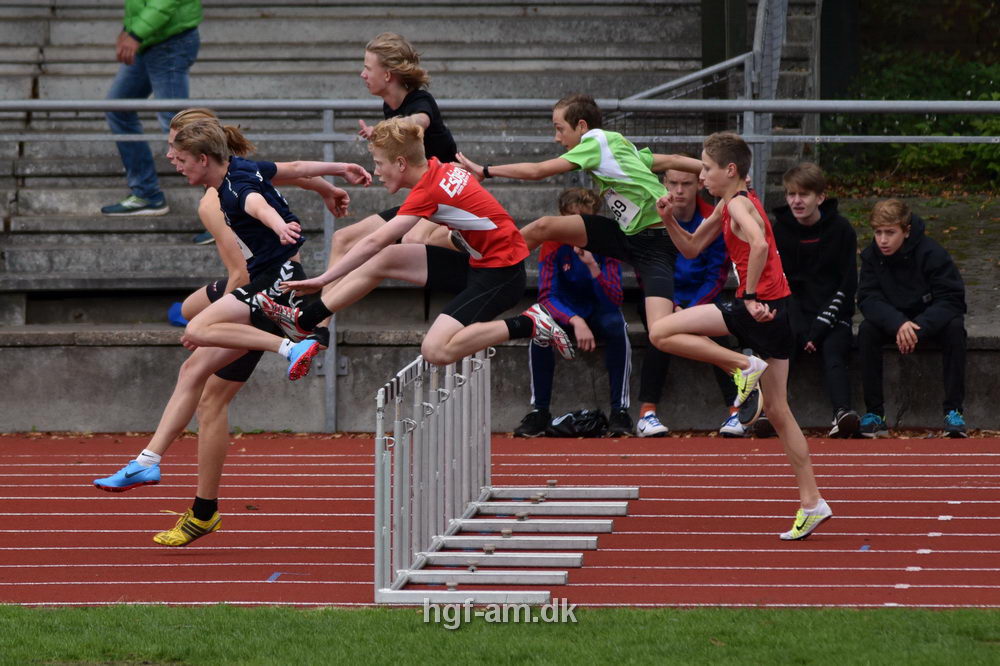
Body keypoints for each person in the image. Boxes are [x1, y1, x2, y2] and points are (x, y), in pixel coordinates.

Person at [93, 117, 369, 545]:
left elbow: (251, 225)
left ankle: (291, 341)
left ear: (204, 154)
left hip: (266, 283)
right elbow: (294, 168)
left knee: (200, 340)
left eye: (176, 151)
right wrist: (332, 181)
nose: (170, 158)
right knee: (195, 359)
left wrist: (275, 231)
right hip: (269, 276)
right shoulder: (242, 168)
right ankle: (152, 464)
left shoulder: (223, 195)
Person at [248, 117, 573, 373]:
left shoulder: (428, 190)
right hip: (480, 260)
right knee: (390, 258)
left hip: (501, 275)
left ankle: (530, 322)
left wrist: (322, 279)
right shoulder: (438, 168)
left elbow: (375, 239)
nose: (376, 171)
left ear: (401, 163)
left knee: (435, 350)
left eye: (378, 162)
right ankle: (307, 320)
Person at [650, 132, 832, 540]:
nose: (701, 175)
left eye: (706, 168)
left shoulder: (735, 203)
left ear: (730, 170)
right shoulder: (729, 203)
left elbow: (761, 244)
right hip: (779, 311)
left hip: (759, 309)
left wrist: (747, 295)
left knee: (661, 331)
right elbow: (693, 248)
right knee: (780, 412)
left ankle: (741, 364)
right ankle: (812, 502)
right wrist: (666, 219)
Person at [456, 94, 702, 374]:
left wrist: (485, 171)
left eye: (559, 128)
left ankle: (739, 364)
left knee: (660, 333)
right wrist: (706, 170)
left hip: (657, 245)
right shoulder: (618, 145)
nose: (556, 138)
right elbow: (673, 159)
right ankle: (491, 267)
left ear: (582, 126)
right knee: (543, 227)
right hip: (626, 235)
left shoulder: (595, 142)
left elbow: (538, 170)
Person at [324, 32, 458, 286]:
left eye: (367, 68)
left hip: (449, 200)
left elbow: (421, 121)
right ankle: (318, 325)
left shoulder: (420, 100)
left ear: (387, 75)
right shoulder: (390, 107)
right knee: (342, 239)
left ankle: (470, 247)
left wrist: (388, 128)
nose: (362, 75)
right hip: (423, 201)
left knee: (411, 240)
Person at [513, 188, 632, 438]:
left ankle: (619, 410)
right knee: (539, 329)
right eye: (570, 219)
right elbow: (546, 296)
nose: (576, 226)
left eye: (584, 219)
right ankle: (540, 411)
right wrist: (574, 320)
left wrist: (592, 265)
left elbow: (614, 299)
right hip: (567, 312)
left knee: (617, 326)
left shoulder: (606, 241)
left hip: (600, 310)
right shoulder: (554, 243)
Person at [633, 167, 738, 438]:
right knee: (660, 332)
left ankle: (737, 412)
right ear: (664, 184)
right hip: (662, 297)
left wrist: (690, 310)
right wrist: (674, 305)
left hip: (701, 299)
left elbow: (717, 273)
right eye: (673, 183)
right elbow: (646, 270)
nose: (679, 191)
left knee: (719, 335)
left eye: (686, 184)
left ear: (699, 186)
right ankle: (647, 413)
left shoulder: (711, 218)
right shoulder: (649, 216)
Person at [857, 199, 968, 438]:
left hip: (927, 322)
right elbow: (867, 299)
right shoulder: (871, 257)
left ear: (906, 231)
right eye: (878, 232)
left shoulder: (933, 253)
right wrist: (898, 322)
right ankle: (875, 414)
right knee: (866, 331)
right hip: (895, 322)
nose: (883, 240)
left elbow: (952, 299)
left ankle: (953, 412)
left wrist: (919, 328)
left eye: (890, 232)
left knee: (955, 328)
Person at [772, 162, 860, 438]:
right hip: (793, 312)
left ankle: (842, 413)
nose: (796, 201)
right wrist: (801, 327)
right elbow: (781, 283)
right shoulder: (779, 231)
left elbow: (847, 283)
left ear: (820, 197)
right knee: (781, 346)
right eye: (791, 194)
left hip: (832, 313)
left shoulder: (842, 230)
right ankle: (769, 413)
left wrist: (820, 326)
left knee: (834, 349)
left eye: (804, 195)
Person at [101, 0, 202, 220]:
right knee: (118, 107)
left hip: (170, 39)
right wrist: (128, 30)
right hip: (151, 38)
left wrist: (135, 33)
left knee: (179, 124)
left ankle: (228, 209)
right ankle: (147, 193)